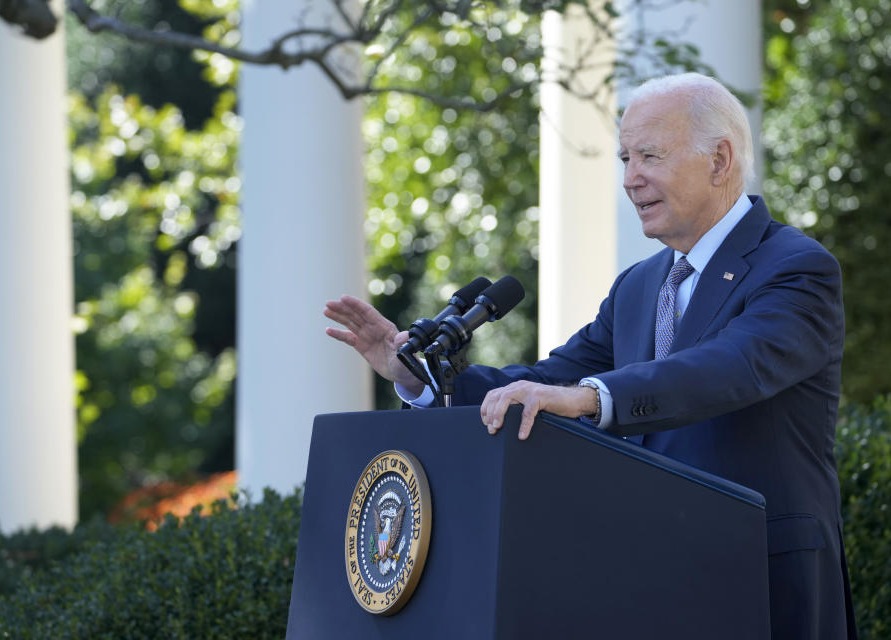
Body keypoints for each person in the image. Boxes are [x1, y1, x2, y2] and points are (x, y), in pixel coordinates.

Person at [324, 72, 856, 640]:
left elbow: (730, 369)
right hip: (643, 586)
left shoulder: (797, 269)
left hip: (761, 582)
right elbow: (548, 378)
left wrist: (587, 399)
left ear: (720, 161)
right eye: (625, 158)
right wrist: (424, 376)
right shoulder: (639, 286)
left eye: (649, 155)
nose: (630, 179)